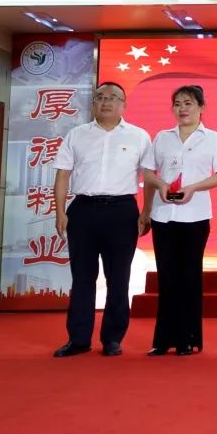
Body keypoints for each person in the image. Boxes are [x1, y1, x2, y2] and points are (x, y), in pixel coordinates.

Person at [53, 81, 152, 357]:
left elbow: (149, 178)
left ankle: (112, 338)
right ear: (93, 103)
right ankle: (78, 339)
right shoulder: (77, 135)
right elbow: (62, 174)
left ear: (124, 104)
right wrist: (60, 211)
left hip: (122, 211)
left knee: (118, 277)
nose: (105, 102)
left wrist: (146, 212)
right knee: (82, 277)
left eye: (112, 97)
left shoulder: (139, 136)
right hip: (83, 210)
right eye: (100, 97)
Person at [140, 85, 217, 356]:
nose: (182, 109)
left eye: (188, 103)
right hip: (163, 216)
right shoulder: (162, 137)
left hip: (195, 216)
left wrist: (193, 188)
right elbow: (148, 172)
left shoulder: (212, 138)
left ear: (201, 107)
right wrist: (158, 189)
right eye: (177, 104)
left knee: (189, 276)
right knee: (166, 277)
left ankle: (187, 339)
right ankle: (162, 340)